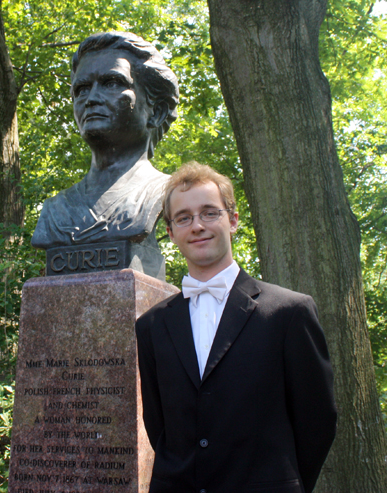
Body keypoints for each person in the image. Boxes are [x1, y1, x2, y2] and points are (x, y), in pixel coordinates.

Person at [135, 162, 337, 493]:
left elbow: (317, 421)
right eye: (184, 218)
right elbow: (159, 425)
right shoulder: (151, 325)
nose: (197, 225)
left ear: (233, 220)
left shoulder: (288, 312)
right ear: (171, 232)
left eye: (209, 213)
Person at [31, 32, 179, 250]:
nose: (90, 99)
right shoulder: (55, 210)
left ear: (156, 111)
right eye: (81, 89)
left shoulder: (168, 192)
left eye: (111, 83)